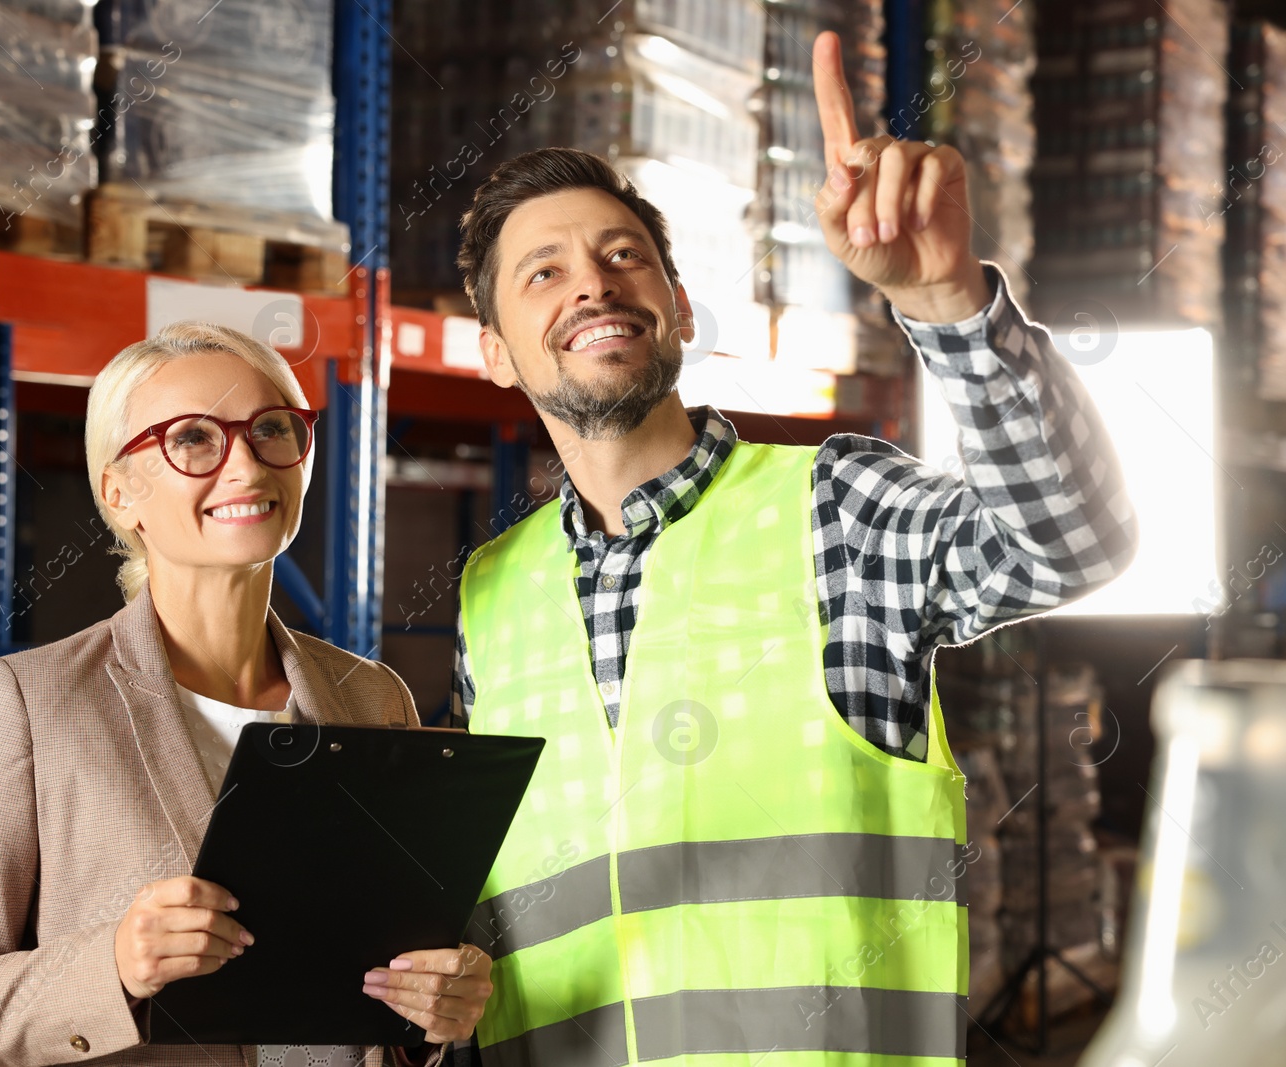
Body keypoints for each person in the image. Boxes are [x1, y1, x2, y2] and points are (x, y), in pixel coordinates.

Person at [450, 31, 1137, 1067]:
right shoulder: (487, 597)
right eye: (542, 272)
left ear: (679, 309)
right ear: (496, 352)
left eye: (622, 255)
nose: (591, 284)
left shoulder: (835, 510)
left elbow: (1067, 541)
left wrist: (947, 303)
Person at [0, 323, 490, 1067]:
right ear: (120, 490)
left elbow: (376, 988)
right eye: (193, 438)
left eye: (272, 429)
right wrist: (111, 967)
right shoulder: (28, 704)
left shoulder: (371, 698)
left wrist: (429, 1012)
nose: (244, 463)